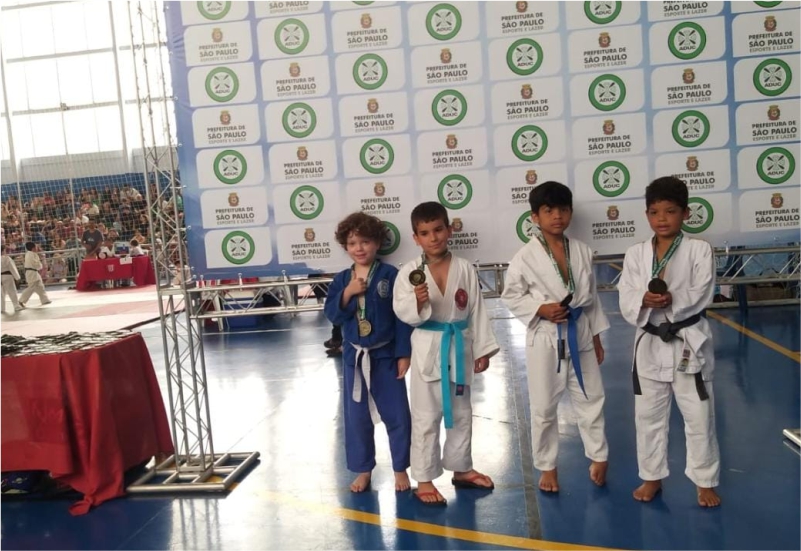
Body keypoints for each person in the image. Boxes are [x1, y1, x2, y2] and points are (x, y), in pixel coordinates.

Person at [618, 176, 721, 508]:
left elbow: (703, 291)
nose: (662, 219)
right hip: (650, 342)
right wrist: (643, 299)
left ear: (686, 213)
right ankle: (651, 477)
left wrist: (672, 298)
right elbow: (626, 294)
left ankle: (704, 481)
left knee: (699, 415)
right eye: (654, 212)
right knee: (647, 416)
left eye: (670, 211)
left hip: (687, 340)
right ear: (646, 214)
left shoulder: (699, 249)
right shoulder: (635, 253)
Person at [501, 182, 610, 492]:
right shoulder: (525, 256)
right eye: (549, 211)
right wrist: (540, 308)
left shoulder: (582, 251)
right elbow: (511, 294)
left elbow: (591, 299)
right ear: (535, 217)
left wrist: (597, 337)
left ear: (571, 213)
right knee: (544, 406)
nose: (557, 216)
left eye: (563, 210)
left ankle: (599, 455)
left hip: (581, 332)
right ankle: (547, 466)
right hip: (545, 337)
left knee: (592, 397)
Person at [393, 201, 499, 506]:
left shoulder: (465, 268)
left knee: (462, 413)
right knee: (426, 416)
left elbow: (476, 310)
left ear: (449, 230)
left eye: (438, 229)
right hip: (428, 347)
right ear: (416, 238)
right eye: (425, 233)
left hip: (459, 345)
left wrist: (482, 348)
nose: (434, 237)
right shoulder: (409, 272)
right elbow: (401, 310)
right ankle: (424, 478)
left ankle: (461, 468)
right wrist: (417, 301)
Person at [324, 212, 413, 493]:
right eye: (352, 243)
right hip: (355, 358)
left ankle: (400, 468)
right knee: (357, 418)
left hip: (385, 356)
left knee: (398, 415)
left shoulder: (390, 275)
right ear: (345, 246)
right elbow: (332, 315)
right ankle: (364, 470)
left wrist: (404, 353)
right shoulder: (342, 279)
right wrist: (348, 293)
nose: (359, 248)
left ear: (377, 243)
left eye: (365, 241)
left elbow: (402, 317)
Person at [18, 242, 51, 307]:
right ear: (33, 248)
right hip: (31, 272)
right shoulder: (31, 255)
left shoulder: (31, 254)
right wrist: (40, 265)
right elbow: (36, 264)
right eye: (36, 247)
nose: (37, 248)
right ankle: (21, 300)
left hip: (34, 272)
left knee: (40, 286)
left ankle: (44, 299)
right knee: (31, 287)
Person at [1, 245, 24, 313]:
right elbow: (12, 268)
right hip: (7, 276)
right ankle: (16, 306)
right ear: (3, 250)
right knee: (12, 291)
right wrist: (17, 277)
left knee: (1, 294)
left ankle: (2, 308)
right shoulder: (6, 258)